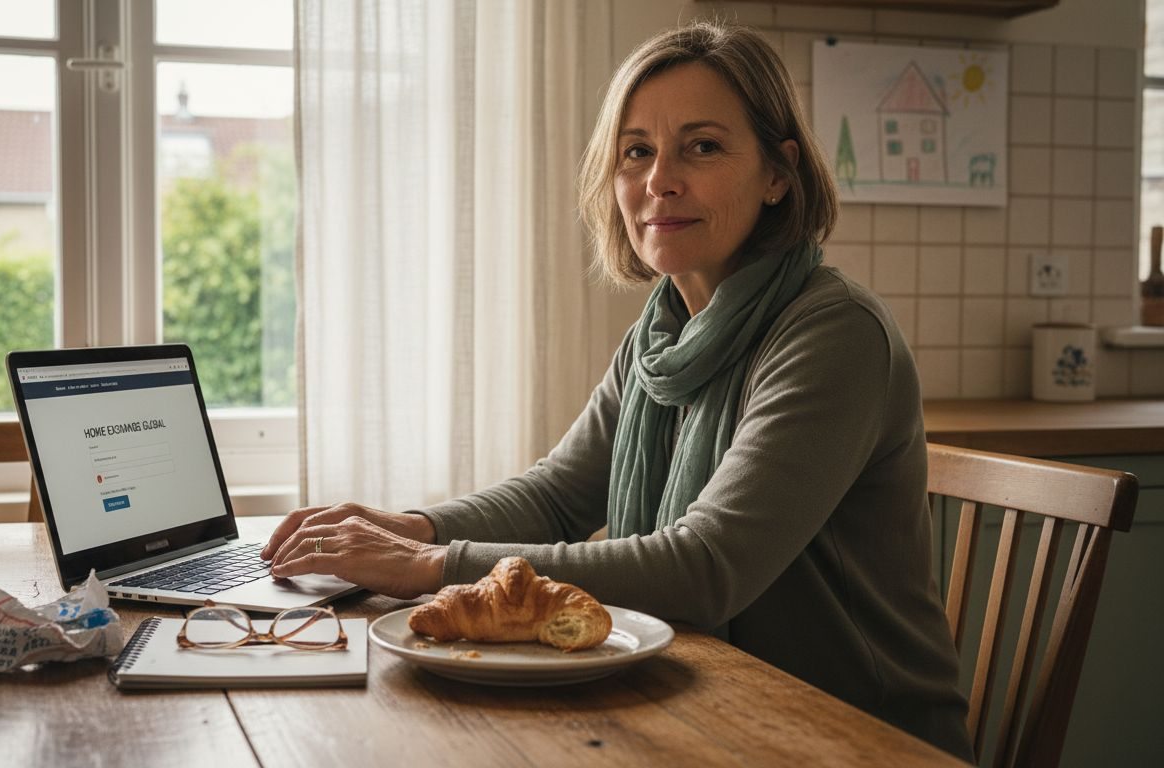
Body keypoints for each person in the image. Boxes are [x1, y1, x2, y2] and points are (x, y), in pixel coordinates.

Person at [263, 21, 973, 761]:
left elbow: (705, 568)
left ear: (777, 174)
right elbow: (558, 496)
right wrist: (413, 527)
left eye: (702, 146)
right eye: (637, 152)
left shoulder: (834, 333)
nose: (660, 179)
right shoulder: (660, 336)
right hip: (710, 706)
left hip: (858, 736)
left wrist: (432, 567)